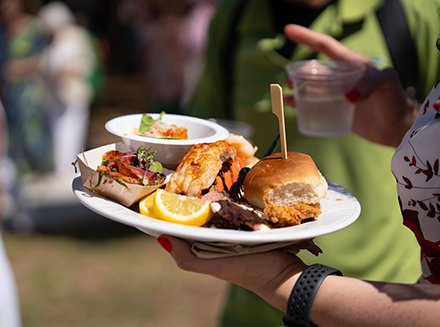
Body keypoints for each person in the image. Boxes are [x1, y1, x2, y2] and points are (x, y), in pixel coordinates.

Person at [157, 23, 440, 327]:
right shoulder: (234, 19)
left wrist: (284, 281)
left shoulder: (412, 11)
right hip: (252, 309)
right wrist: (407, 124)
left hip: (377, 288)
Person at [38, 1, 101, 173]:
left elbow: (88, 62)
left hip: (74, 93)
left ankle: (69, 170)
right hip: (55, 94)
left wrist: (70, 70)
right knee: (59, 133)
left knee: (72, 133)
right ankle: (61, 169)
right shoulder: (54, 39)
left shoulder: (77, 35)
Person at [0, 0, 53, 176]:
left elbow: (47, 57)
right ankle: (23, 169)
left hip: (29, 88)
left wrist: (21, 66)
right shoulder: (4, 28)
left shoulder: (33, 26)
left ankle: (43, 167)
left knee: (33, 126)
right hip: (10, 89)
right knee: (15, 127)